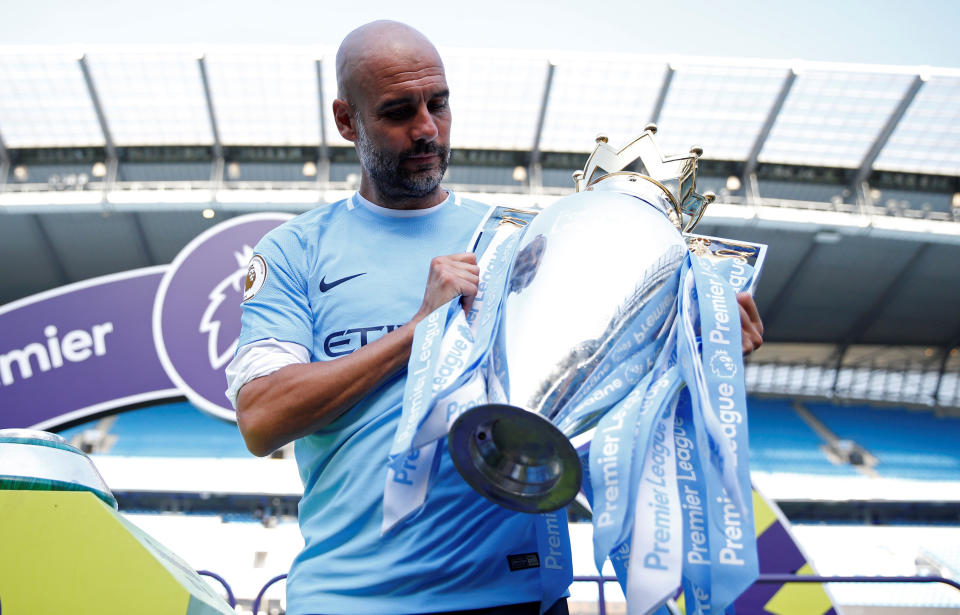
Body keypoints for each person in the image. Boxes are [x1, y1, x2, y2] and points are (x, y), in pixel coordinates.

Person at [226, 20, 764, 615]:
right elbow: (263, 416)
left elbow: (598, 398)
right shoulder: (293, 251)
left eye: (439, 104)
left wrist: (694, 352)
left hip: (517, 597)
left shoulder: (531, 240)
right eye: (399, 111)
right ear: (347, 120)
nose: (427, 128)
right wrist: (418, 331)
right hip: (350, 600)